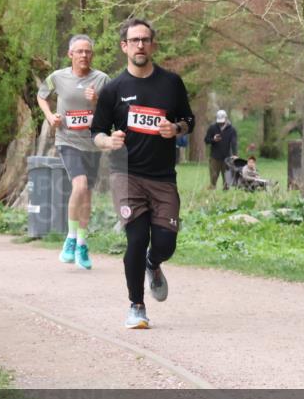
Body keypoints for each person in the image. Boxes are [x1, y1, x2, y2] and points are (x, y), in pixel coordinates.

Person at [92, 17, 195, 329]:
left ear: (152, 45)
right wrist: (108, 141)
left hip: (163, 177)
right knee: (136, 239)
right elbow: (96, 132)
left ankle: (154, 262)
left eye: (145, 40)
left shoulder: (171, 83)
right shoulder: (113, 89)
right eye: (134, 40)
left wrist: (175, 128)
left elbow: (189, 120)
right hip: (126, 175)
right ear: (125, 46)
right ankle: (136, 305)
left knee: (165, 244)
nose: (140, 45)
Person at [36, 34, 110, 270]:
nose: (84, 55)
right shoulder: (57, 77)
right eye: (79, 51)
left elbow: (112, 110)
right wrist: (50, 117)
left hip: (92, 144)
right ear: (70, 54)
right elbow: (41, 95)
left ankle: (82, 243)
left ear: (92, 54)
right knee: (79, 185)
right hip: (67, 141)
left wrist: (97, 101)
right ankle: (70, 238)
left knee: (87, 194)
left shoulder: (102, 79)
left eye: (88, 51)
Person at [204, 109, 237, 189]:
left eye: (222, 121)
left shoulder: (232, 130)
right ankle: (211, 194)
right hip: (214, 157)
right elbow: (206, 140)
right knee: (213, 177)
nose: (221, 123)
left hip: (226, 158)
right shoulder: (212, 128)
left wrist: (235, 154)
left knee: (227, 179)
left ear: (226, 118)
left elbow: (233, 142)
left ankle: (225, 195)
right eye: (219, 121)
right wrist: (213, 139)